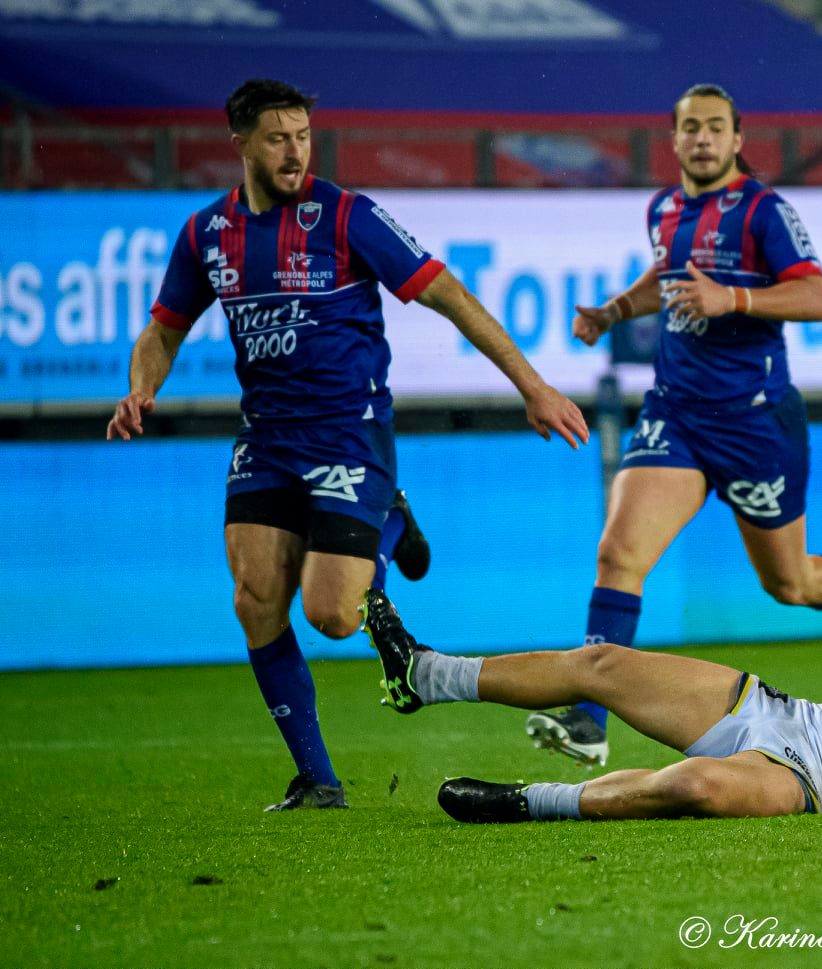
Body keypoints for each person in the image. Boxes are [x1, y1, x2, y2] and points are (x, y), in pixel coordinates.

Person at [106, 79, 589, 811]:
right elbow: (164, 329)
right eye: (277, 137)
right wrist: (142, 387)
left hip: (347, 432)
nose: (295, 149)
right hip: (266, 439)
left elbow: (448, 294)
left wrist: (533, 385)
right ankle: (317, 778)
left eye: (302, 134)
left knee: (332, 614)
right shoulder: (206, 233)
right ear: (238, 142)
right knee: (255, 598)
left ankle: (389, 516)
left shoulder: (346, 217)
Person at [527, 83, 822, 767]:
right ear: (673, 139)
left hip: (755, 423)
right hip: (676, 415)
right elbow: (663, 276)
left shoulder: (764, 211)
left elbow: (815, 296)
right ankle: (590, 718)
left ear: (737, 138)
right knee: (618, 553)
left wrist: (734, 297)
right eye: (689, 127)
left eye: (714, 127)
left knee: (788, 585)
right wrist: (611, 311)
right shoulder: (663, 207)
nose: (701, 138)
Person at [360, 582, 822, 822]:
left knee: (696, 786)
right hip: (789, 719)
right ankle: (425, 674)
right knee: (603, 662)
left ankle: (529, 800)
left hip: (817, 785)